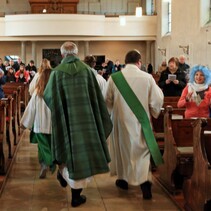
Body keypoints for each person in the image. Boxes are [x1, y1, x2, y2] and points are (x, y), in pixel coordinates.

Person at [43, 41, 112, 207]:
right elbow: (97, 98)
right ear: (77, 53)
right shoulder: (88, 71)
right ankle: (76, 195)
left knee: (66, 152)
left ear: (62, 55)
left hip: (65, 120)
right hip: (86, 121)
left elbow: (48, 96)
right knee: (83, 155)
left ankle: (63, 176)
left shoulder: (56, 73)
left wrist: (61, 108)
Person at [104, 49, 164, 200]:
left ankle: (123, 180)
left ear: (125, 62)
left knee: (123, 151)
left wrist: (113, 110)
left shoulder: (114, 77)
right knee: (142, 152)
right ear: (139, 62)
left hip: (120, 122)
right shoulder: (147, 77)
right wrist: (153, 111)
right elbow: (156, 100)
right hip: (141, 121)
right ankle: (145, 184)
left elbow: (106, 99)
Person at [20, 58, 55, 179]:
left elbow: (30, 110)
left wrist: (24, 123)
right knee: (51, 144)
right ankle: (49, 163)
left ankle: (46, 163)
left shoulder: (37, 93)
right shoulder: (57, 93)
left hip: (40, 124)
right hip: (53, 126)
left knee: (42, 145)